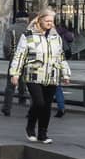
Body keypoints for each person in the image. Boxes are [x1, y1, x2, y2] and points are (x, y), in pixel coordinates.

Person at [9, 8, 71, 144]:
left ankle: (43, 133)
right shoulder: (28, 35)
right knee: (39, 102)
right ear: (40, 20)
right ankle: (30, 126)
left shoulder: (56, 37)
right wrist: (15, 73)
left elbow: (61, 56)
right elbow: (20, 55)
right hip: (34, 74)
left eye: (52, 21)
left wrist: (65, 73)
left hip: (52, 75)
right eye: (47, 20)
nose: (50, 23)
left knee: (47, 105)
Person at [0, 12, 30, 116]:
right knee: (30, 84)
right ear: (27, 19)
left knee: (11, 84)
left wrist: (8, 56)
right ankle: (30, 108)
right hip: (29, 59)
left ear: (16, 19)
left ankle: (7, 107)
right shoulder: (31, 29)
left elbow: (6, 46)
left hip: (15, 59)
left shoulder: (11, 29)